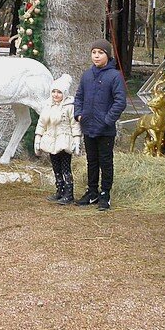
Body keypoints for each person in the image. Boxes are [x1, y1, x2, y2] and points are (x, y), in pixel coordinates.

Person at [74, 38, 127, 211]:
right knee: (92, 161)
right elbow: (79, 97)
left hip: (105, 130)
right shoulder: (87, 75)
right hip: (88, 126)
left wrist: (107, 120)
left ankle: (105, 194)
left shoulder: (114, 76)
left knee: (106, 161)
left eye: (100, 53)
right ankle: (92, 192)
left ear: (107, 55)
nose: (96, 56)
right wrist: (79, 115)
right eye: (94, 52)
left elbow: (120, 102)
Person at [34, 74, 82, 205]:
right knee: (56, 167)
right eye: (54, 92)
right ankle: (59, 190)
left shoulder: (69, 106)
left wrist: (76, 140)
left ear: (64, 93)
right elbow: (42, 123)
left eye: (59, 92)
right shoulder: (48, 105)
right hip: (51, 140)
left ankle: (69, 193)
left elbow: (75, 124)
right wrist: (38, 137)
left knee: (65, 168)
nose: (56, 95)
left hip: (64, 140)